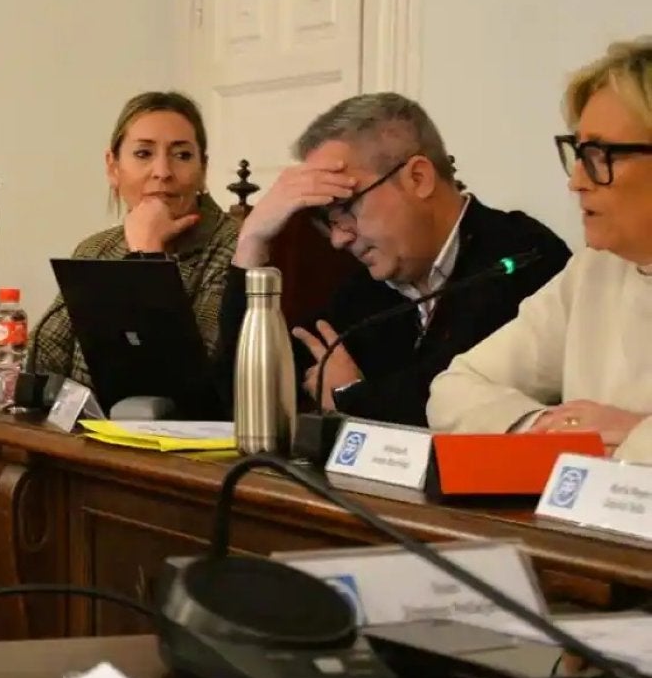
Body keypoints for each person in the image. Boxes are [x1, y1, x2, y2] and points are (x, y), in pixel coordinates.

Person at [219, 92, 570, 427]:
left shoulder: (521, 257)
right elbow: (241, 395)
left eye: (346, 209)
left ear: (418, 178)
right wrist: (252, 243)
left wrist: (352, 398)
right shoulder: (368, 287)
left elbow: (450, 400)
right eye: (328, 221)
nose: (340, 238)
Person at [428, 39, 652, 460]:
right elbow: (455, 388)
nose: (576, 182)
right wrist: (549, 430)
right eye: (578, 153)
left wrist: (636, 435)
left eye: (599, 155)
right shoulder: (593, 272)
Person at [13, 90, 239, 392]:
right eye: (144, 154)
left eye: (182, 155)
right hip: (80, 435)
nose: (162, 172)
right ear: (113, 166)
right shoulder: (96, 248)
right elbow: (45, 359)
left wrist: (147, 255)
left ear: (203, 170)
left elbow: (181, 379)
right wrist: (6, 371)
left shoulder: (234, 244)